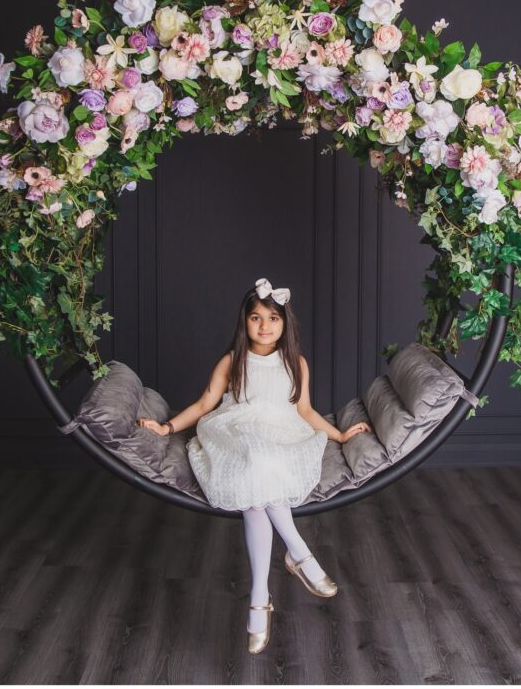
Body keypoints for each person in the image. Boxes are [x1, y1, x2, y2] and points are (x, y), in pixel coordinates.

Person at [136, 277, 372, 654]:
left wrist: (340, 436)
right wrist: (165, 427)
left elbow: (305, 410)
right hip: (236, 430)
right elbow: (203, 405)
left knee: (258, 486)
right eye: (256, 318)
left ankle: (260, 597)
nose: (265, 326)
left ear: (285, 323)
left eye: (273, 318)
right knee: (254, 459)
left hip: (280, 433)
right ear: (244, 323)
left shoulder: (296, 363)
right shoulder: (233, 360)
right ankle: (298, 553)